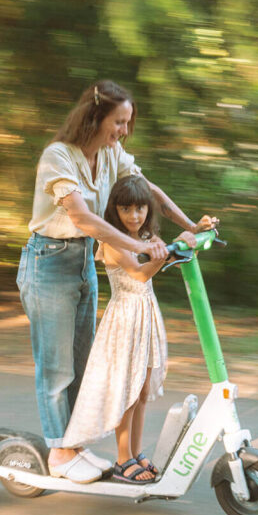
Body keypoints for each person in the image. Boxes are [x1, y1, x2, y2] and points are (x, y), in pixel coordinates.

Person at [17, 80, 218, 483]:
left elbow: (150, 191)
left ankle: (73, 444)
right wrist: (141, 247)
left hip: (82, 262)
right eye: (119, 122)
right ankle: (59, 451)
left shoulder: (111, 153)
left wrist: (191, 225)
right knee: (56, 367)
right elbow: (82, 218)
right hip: (49, 261)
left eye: (127, 123)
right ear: (95, 117)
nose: (124, 131)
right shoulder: (58, 157)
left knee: (81, 362)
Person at [63, 175, 196, 483]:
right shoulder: (112, 241)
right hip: (125, 320)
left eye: (140, 209)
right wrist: (172, 252)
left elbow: (166, 253)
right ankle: (123, 459)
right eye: (127, 210)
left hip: (145, 316)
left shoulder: (146, 236)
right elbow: (139, 275)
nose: (135, 216)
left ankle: (135, 453)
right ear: (115, 211)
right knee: (128, 389)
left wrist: (189, 242)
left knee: (142, 391)